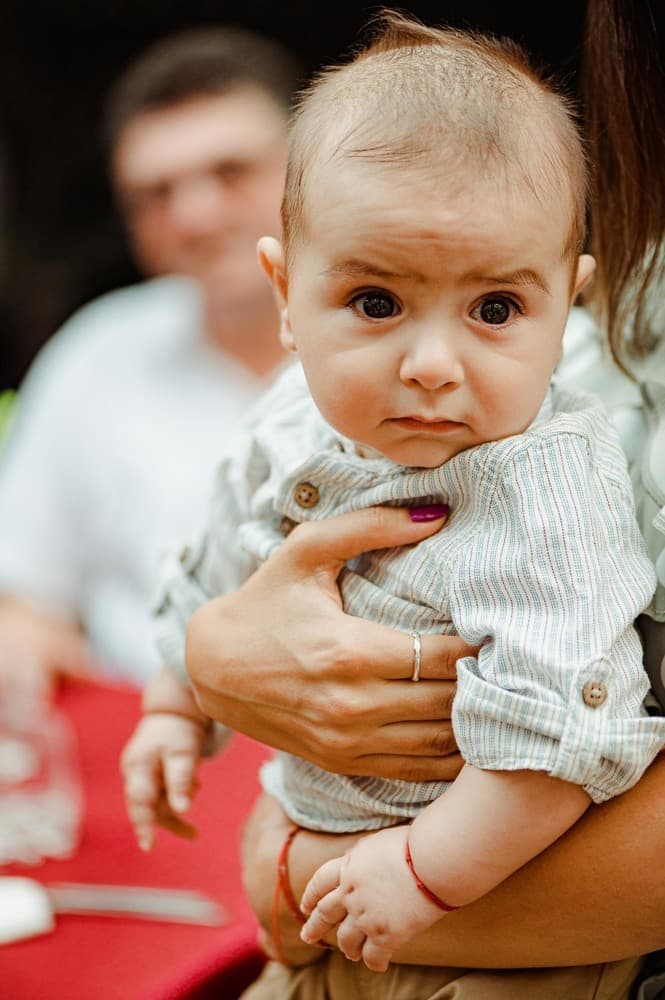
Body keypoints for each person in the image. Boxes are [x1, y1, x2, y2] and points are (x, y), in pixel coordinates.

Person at [121, 11, 665, 998]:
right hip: (334, 903)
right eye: (374, 302)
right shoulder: (290, 413)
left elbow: (559, 741)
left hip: (504, 931)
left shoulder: (546, 494)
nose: (428, 366)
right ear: (285, 292)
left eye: (494, 310)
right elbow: (218, 556)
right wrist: (174, 702)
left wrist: (418, 873)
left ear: (565, 302)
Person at [0, 27, 301, 694]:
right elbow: (23, 587)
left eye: (229, 171)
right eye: (155, 194)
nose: (192, 215)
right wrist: (23, 630)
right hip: (144, 731)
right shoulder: (98, 347)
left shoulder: (427, 343)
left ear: (310, 167)